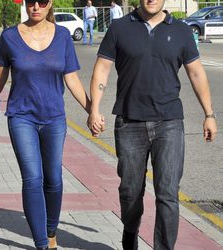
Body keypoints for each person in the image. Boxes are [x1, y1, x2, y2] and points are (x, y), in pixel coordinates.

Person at [87, 0, 218, 249]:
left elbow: (197, 73)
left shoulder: (181, 30)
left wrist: (209, 114)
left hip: (169, 123)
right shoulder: (119, 27)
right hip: (129, 123)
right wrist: (94, 110)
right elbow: (102, 69)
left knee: (167, 193)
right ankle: (130, 229)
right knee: (130, 192)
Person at [0, 0, 90, 249]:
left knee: (53, 179)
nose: (36, 7)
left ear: (49, 3)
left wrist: (91, 109)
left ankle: (51, 232)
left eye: (42, 2)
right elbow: (0, 75)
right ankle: (42, 244)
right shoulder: (10, 36)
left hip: (54, 118)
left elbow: (71, 77)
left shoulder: (62, 36)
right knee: (32, 178)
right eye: (31, 1)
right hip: (22, 117)